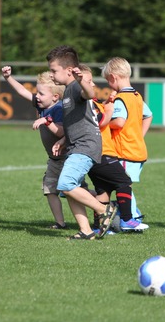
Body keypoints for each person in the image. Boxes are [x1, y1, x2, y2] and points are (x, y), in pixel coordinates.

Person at [47, 45, 117, 240]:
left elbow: (90, 94)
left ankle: (103, 209)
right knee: (70, 190)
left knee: (65, 184)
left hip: (85, 145)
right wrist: (63, 140)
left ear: (69, 70)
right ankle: (86, 231)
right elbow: (75, 122)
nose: (51, 75)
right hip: (76, 144)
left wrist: (82, 81)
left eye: (54, 71)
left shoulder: (76, 86)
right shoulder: (68, 90)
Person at [77, 65, 147, 233]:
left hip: (96, 154)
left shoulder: (92, 103)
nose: (93, 84)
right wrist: (109, 109)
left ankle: (99, 227)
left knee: (103, 191)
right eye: (89, 81)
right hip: (103, 153)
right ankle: (127, 219)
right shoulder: (87, 105)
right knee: (124, 182)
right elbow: (101, 122)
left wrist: (107, 104)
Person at [2, 66, 68, 229]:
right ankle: (60, 223)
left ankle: (102, 205)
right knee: (49, 189)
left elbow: (62, 134)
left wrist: (47, 121)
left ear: (55, 96)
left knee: (75, 192)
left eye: (41, 93)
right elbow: (22, 92)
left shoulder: (59, 109)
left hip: (67, 159)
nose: (36, 96)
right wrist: (8, 78)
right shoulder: (43, 106)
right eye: (37, 92)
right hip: (54, 160)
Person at [101, 57, 152, 228]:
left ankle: (128, 219)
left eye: (108, 80)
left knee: (123, 185)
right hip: (137, 149)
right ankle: (132, 216)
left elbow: (119, 122)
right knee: (125, 184)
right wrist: (140, 134)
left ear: (114, 77)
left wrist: (104, 122)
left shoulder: (121, 98)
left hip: (124, 151)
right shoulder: (136, 96)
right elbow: (149, 115)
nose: (109, 84)